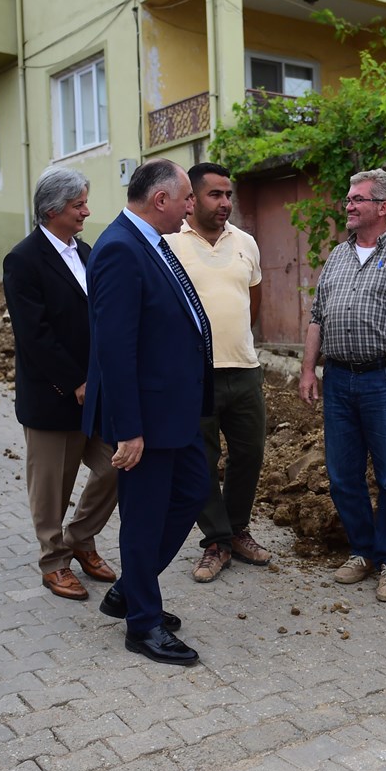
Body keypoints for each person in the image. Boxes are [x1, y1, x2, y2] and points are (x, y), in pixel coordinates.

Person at [83, 159, 213, 666]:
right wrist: (129, 431)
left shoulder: (150, 243)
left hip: (172, 413)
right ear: (160, 200)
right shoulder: (120, 249)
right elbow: (115, 350)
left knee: (192, 490)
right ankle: (143, 625)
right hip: (145, 421)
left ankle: (130, 591)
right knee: (143, 517)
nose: (191, 207)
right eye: (186, 198)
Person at [299, 168, 386, 603]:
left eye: (358, 198)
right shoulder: (337, 257)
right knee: (342, 474)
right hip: (339, 378)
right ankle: (361, 551)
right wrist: (308, 370)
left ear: (383, 206)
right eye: (348, 198)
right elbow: (317, 317)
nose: (349, 205)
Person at [1, 166, 118, 601]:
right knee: (53, 485)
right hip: (54, 395)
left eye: (84, 203)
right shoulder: (23, 259)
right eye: (78, 205)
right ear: (52, 211)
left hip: (97, 391)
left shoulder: (85, 252)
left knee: (116, 466)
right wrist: (74, 381)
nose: (86, 211)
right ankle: (54, 562)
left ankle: (81, 539)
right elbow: (34, 334)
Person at [167, 162, 272, 582]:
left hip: (244, 370)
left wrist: (235, 340)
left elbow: (254, 301)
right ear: (191, 199)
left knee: (249, 453)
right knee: (201, 461)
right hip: (194, 375)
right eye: (215, 195)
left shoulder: (246, 242)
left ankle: (238, 529)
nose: (225, 203)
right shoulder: (170, 243)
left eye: (228, 195)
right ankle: (216, 540)